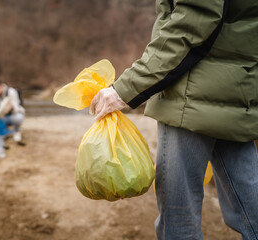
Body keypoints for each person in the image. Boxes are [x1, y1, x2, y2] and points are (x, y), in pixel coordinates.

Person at [90, 0, 258, 239]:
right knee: (253, 214)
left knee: (179, 222)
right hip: (237, 92)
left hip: (189, 98)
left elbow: (189, 26)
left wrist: (125, 89)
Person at [0, 78, 25, 143]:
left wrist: (11, 107)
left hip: (12, 115)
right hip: (1, 117)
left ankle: (17, 131)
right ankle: (3, 132)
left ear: (1, 86)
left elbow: (17, 108)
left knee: (19, 117)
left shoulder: (11, 91)